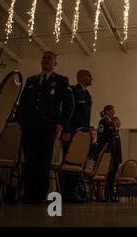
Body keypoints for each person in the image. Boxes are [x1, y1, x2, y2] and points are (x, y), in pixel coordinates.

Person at [16, 51, 74, 203]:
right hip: (30, 126)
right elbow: (22, 103)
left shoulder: (61, 80)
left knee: (43, 161)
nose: (46, 60)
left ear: (55, 63)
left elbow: (69, 104)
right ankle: (28, 193)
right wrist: (20, 122)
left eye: (50, 58)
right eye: (44, 58)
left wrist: (62, 123)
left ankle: (40, 195)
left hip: (48, 126)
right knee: (29, 160)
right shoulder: (31, 81)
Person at [61, 69, 93, 202]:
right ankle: (65, 192)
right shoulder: (73, 90)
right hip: (72, 133)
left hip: (82, 136)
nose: (91, 78)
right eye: (89, 75)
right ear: (80, 77)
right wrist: (67, 130)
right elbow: (68, 110)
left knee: (78, 162)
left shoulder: (88, 95)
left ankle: (72, 191)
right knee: (69, 161)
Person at [97, 106, 121, 201]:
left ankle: (109, 195)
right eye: (112, 110)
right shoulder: (103, 122)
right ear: (107, 111)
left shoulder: (111, 123)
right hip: (107, 152)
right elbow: (101, 138)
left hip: (113, 153)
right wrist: (103, 150)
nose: (114, 112)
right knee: (106, 174)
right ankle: (103, 195)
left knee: (111, 175)